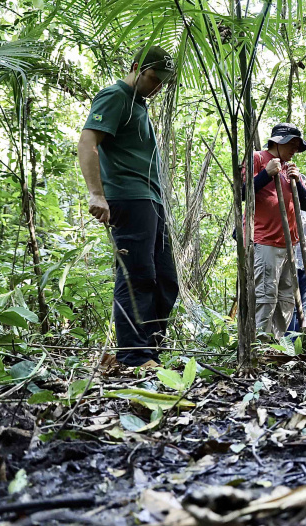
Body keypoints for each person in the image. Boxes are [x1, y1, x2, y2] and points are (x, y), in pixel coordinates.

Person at [78, 45, 178, 369]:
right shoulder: (115, 96)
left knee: (165, 278)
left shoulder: (139, 104)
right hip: (128, 196)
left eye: (162, 81)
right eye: (152, 78)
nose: (157, 86)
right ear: (136, 67)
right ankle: (134, 357)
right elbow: (87, 141)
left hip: (151, 199)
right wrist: (96, 193)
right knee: (137, 275)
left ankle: (150, 351)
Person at [248, 123, 306, 337]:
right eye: (292, 144)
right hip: (265, 240)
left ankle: (276, 344)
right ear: (278, 142)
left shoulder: (290, 167)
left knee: (286, 298)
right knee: (266, 295)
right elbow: (241, 192)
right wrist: (266, 174)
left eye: (297, 146)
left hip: (289, 245)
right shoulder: (257, 158)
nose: (295, 150)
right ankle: (260, 345)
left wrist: (298, 182)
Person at [287, 193, 306, 332]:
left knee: (303, 306)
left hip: (305, 262)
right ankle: (290, 346)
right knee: (290, 305)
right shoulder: (284, 206)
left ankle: (300, 346)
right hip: (288, 262)